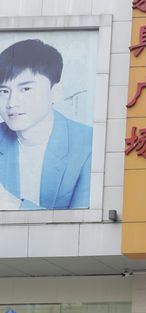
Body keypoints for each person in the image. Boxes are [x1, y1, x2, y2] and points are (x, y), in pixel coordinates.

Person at [0, 39, 92, 210]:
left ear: (55, 92)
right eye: (4, 91)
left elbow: (85, 223)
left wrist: (13, 205)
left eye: (26, 89)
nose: (12, 103)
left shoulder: (88, 144)